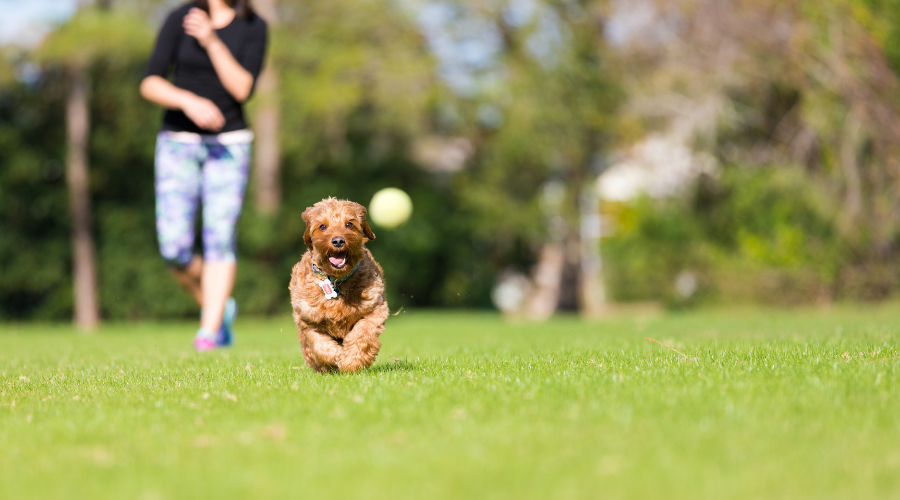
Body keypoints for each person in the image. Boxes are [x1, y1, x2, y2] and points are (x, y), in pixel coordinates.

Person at [140, 0, 268, 351]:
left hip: (229, 145)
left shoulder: (253, 26)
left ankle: (208, 333)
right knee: (174, 249)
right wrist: (186, 100)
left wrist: (212, 41)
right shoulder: (180, 18)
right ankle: (218, 306)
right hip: (177, 143)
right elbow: (149, 82)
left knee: (220, 239)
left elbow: (242, 89)